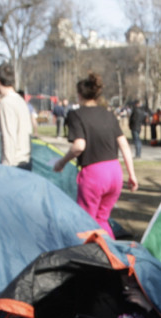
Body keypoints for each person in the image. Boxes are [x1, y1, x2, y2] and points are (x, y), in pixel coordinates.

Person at [54, 72, 138, 236]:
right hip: (115, 173)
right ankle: (111, 255)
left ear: (79, 95)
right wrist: (132, 174)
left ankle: (90, 258)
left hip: (94, 175)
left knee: (85, 223)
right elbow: (124, 145)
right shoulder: (109, 115)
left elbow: (79, 146)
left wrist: (61, 162)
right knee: (102, 220)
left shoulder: (76, 115)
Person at [0, 63, 33, 170]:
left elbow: (9, 137)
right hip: (25, 160)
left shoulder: (6, 103)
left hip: (14, 164)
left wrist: (5, 170)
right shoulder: (20, 100)